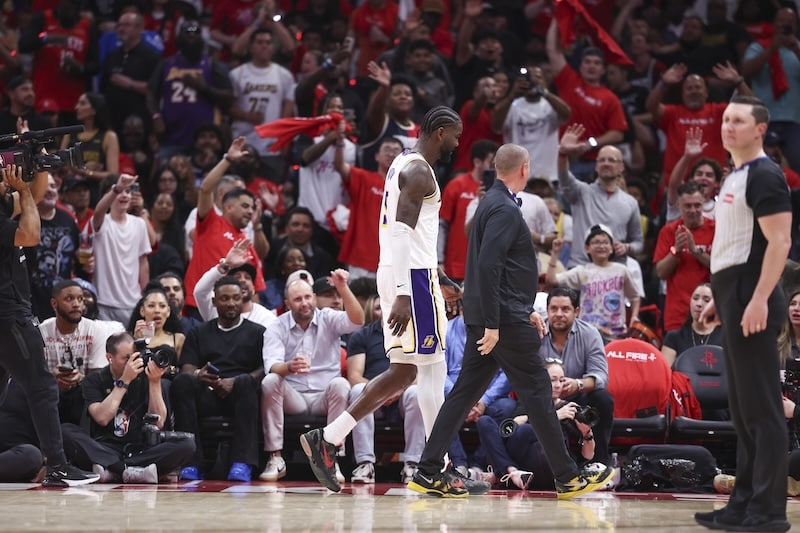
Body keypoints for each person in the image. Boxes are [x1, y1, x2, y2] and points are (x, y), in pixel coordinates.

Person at [407, 143, 613, 499]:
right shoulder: (502, 207)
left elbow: (500, 269)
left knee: (463, 394)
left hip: (498, 315)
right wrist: (494, 323)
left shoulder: (491, 203)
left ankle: (427, 471)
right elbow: (489, 266)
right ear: (525, 168)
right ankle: (567, 476)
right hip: (501, 323)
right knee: (538, 392)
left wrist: (524, 308)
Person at [299, 106, 464, 493]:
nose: (458, 143)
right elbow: (402, 234)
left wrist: (438, 276)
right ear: (440, 132)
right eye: (456, 135)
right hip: (411, 280)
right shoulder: (419, 171)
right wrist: (407, 292)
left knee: (405, 372)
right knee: (433, 372)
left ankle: (329, 438)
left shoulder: (402, 164)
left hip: (405, 272)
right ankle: (436, 467)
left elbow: (412, 236)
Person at [694, 95, 792, 532]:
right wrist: (721, 295)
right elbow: (735, 243)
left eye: (738, 120)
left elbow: (780, 242)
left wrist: (757, 298)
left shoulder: (766, 174)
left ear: (760, 130)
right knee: (743, 409)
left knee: (763, 409)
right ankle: (743, 505)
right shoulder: (735, 175)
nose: (728, 126)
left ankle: (768, 512)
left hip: (754, 296)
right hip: (734, 292)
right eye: (726, 119)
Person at [0, 163, 99, 487]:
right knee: (42, 386)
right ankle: (58, 466)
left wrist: (38, 162)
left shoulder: (4, 208)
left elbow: (36, 195)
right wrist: (22, 189)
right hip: (9, 315)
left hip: (8, 313)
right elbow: (31, 233)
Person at [60, 332, 195, 484]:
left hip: (141, 450)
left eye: (135, 357)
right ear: (110, 358)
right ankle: (130, 471)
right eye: (126, 358)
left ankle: (113, 471)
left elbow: (158, 422)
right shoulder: (95, 379)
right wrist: (124, 381)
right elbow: (102, 418)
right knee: (65, 431)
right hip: (105, 448)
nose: (132, 362)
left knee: (187, 444)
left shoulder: (145, 377)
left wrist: (155, 382)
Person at [171, 276, 266, 482]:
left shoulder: (258, 332)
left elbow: (264, 368)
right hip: (208, 394)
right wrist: (200, 375)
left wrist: (235, 382)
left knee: (248, 382)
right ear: (214, 301)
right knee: (183, 382)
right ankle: (190, 462)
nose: (231, 303)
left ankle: (242, 463)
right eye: (224, 298)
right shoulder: (198, 332)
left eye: (235, 298)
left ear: (243, 299)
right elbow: (187, 368)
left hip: (241, 396)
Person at [476, 360, 597, 490]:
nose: (557, 385)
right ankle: (511, 471)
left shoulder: (570, 409)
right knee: (485, 422)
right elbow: (512, 426)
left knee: (532, 435)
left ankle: (503, 474)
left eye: (561, 380)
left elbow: (587, 457)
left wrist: (587, 433)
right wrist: (554, 417)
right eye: (553, 380)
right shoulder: (530, 402)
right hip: (523, 463)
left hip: (550, 467)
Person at [538, 287, 613, 464]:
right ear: (547, 310)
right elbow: (525, 374)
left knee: (603, 398)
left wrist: (577, 384)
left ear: (576, 311)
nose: (558, 314)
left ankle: (599, 462)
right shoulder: (535, 333)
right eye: (554, 309)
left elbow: (600, 376)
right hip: (543, 399)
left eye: (565, 309)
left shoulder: (590, 334)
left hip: (579, 398)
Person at [38, 280, 111, 424]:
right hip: (49, 394)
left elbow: (99, 377)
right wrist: (52, 376)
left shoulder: (95, 330)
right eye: (69, 299)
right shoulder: (41, 331)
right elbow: (33, 377)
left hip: (84, 396)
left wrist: (80, 378)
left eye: (80, 299)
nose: (77, 304)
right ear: (54, 303)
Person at [653, 182, 715, 332]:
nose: (693, 210)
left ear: (703, 204)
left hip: (710, 310)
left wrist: (695, 251)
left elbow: (720, 268)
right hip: (677, 314)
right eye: (688, 206)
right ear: (679, 206)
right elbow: (660, 272)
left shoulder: (716, 229)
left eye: (697, 205)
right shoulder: (669, 231)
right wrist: (677, 250)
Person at [661, 283, 724, 366]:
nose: (699, 304)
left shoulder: (725, 337)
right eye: (695, 298)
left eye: (706, 300)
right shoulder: (674, 337)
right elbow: (665, 371)